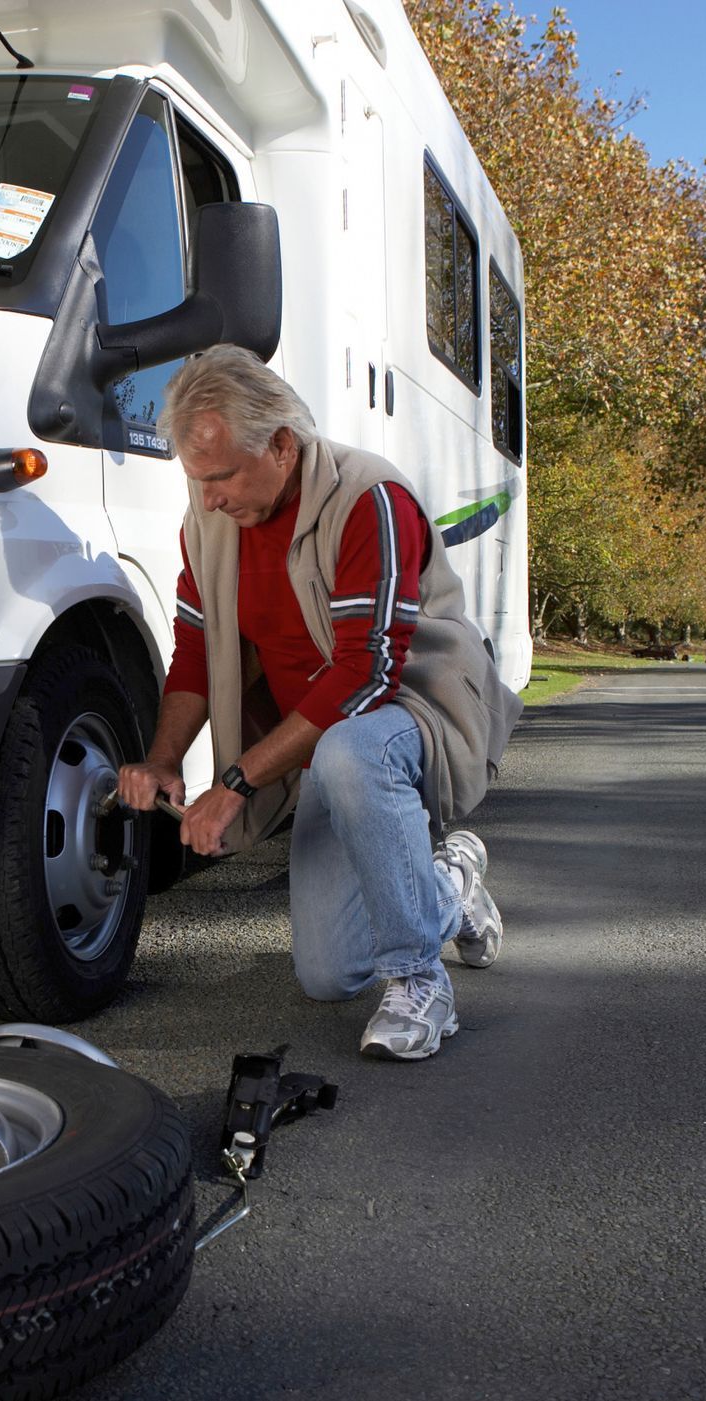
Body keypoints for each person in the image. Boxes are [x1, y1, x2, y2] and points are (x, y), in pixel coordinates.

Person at [116, 346, 523, 1060]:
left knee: (349, 744)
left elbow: (365, 677)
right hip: (320, 744)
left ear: (280, 446)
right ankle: (447, 886)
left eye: (219, 477)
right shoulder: (209, 522)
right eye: (196, 480)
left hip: (415, 715)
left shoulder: (370, 499)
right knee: (329, 974)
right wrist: (162, 761)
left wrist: (237, 782)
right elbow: (191, 650)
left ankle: (420, 980)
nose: (207, 498)